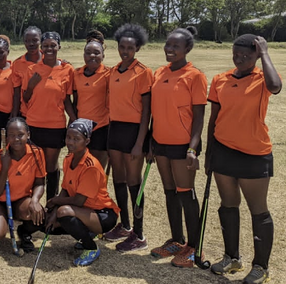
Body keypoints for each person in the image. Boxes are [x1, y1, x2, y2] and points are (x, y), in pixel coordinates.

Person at [206, 34, 282, 284]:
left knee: (258, 211)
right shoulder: (221, 79)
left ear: (256, 56)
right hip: (223, 151)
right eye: (236, 54)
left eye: (246, 56)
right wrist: (209, 153)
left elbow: (276, 86)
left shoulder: (262, 79)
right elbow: (214, 118)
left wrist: (265, 53)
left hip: (254, 154)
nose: (239, 59)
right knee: (228, 206)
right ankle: (232, 258)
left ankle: (260, 266)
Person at [147, 28, 208, 268]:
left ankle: (193, 247)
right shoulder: (159, 72)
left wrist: (192, 148)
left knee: (186, 193)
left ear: (187, 49)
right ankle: (176, 240)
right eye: (167, 45)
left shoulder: (195, 76)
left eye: (176, 46)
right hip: (160, 142)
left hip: (183, 145)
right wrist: (151, 141)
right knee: (169, 192)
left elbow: (199, 117)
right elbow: (154, 110)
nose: (169, 49)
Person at [104, 23, 153, 252]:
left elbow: (147, 111)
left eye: (130, 48)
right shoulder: (114, 71)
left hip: (134, 132)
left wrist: (140, 142)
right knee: (119, 179)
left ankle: (139, 234)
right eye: (122, 47)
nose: (125, 51)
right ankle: (124, 225)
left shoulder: (143, 72)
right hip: (115, 129)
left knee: (135, 183)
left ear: (137, 49)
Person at [45, 119, 120, 266]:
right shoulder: (68, 159)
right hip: (83, 211)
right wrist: (53, 213)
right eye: (68, 137)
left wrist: (55, 201)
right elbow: (66, 189)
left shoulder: (91, 166)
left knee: (64, 212)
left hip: (103, 215)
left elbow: (79, 201)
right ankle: (87, 235)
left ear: (87, 141)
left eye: (76, 139)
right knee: (49, 220)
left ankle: (91, 248)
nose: (70, 142)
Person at [0, 117, 46, 252]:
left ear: (28, 135)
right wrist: (5, 167)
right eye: (12, 135)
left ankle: (24, 232)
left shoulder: (37, 153)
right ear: (6, 137)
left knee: (39, 215)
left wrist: (35, 200)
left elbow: (40, 183)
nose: (16, 139)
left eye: (20, 134)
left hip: (21, 200)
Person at [20, 31, 75, 201]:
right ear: (41, 48)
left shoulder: (67, 70)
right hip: (34, 124)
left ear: (59, 46)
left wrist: (73, 120)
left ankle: (51, 202)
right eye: (45, 46)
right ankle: (31, 203)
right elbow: (25, 98)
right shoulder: (32, 70)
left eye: (53, 45)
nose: (49, 49)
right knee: (35, 166)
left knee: (51, 166)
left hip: (55, 125)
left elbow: (67, 99)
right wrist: (31, 86)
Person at [72, 30, 110, 169]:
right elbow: (75, 101)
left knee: (97, 168)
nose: (92, 56)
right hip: (81, 128)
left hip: (101, 127)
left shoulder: (109, 74)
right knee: (81, 167)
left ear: (103, 56)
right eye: (88, 53)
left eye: (96, 53)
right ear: (83, 55)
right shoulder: (76, 74)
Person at [11, 26, 43, 119]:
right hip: (26, 113)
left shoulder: (49, 60)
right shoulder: (17, 64)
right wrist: (14, 114)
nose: (31, 44)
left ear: (40, 41)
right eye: (27, 41)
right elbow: (17, 93)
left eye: (35, 40)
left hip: (47, 112)